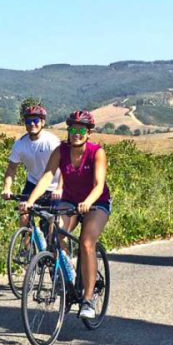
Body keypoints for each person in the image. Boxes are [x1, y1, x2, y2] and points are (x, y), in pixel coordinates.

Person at [20, 110, 111, 319]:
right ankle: (67, 272)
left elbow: (99, 185)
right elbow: (46, 178)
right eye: (72, 129)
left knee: (86, 242)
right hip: (69, 200)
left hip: (96, 202)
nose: (76, 133)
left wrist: (88, 202)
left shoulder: (97, 152)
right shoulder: (60, 151)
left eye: (81, 130)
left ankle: (87, 299)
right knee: (55, 233)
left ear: (88, 133)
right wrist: (30, 202)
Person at [0, 101, 61, 226]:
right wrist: (7, 188)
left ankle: (54, 243)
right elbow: (11, 169)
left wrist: (60, 188)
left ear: (43, 122)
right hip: (33, 183)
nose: (32, 124)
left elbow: (65, 166)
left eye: (36, 120)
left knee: (52, 227)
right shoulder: (20, 144)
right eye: (28, 121)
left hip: (55, 185)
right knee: (24, 214)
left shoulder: (51, 141)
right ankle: (26, 243)